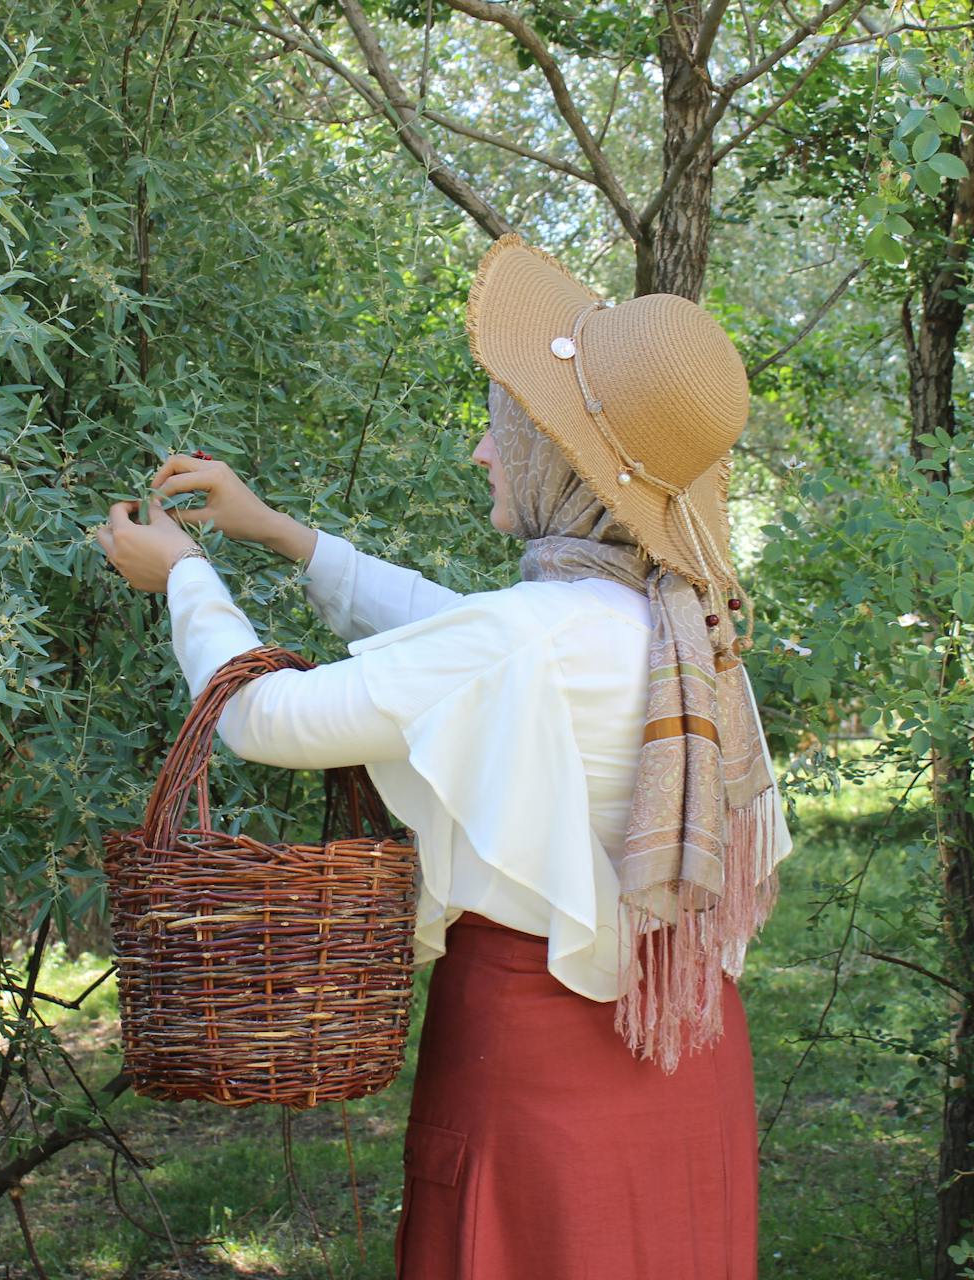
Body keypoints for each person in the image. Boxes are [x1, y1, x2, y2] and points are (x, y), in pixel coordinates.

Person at [95, 233, 794, 1279]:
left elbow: (265, 719)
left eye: (507, 429)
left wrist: (189, 577)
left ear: (564, 461)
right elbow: (465, 631)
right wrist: (288, 536)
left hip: (536, 1070)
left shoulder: (537, 635)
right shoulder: (689, 628)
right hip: (684, 1052)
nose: (482, 450)